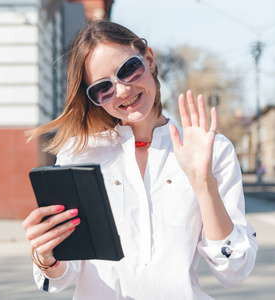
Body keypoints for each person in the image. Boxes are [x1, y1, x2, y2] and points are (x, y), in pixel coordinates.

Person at [23, 20, 258, 299]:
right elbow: (62, 275)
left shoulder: (211, 149)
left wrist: (203, 182)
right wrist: (46, 254)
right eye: (103, 88)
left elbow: (234, 270)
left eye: (128, 70)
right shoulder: (78, 154)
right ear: (94, 98)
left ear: (148, 59)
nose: (122, 90)